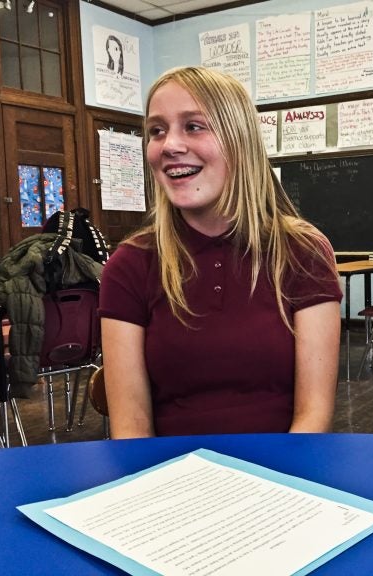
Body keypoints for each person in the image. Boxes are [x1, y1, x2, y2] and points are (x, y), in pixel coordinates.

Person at [99, 66, 342, 438]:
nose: (169, 146)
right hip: (171, 478)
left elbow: (314, 417)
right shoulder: (130, 265)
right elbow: (131, 429)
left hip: (283, 475)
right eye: (156, 131)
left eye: (193, 126)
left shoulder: (302, 251)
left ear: (239, 140)